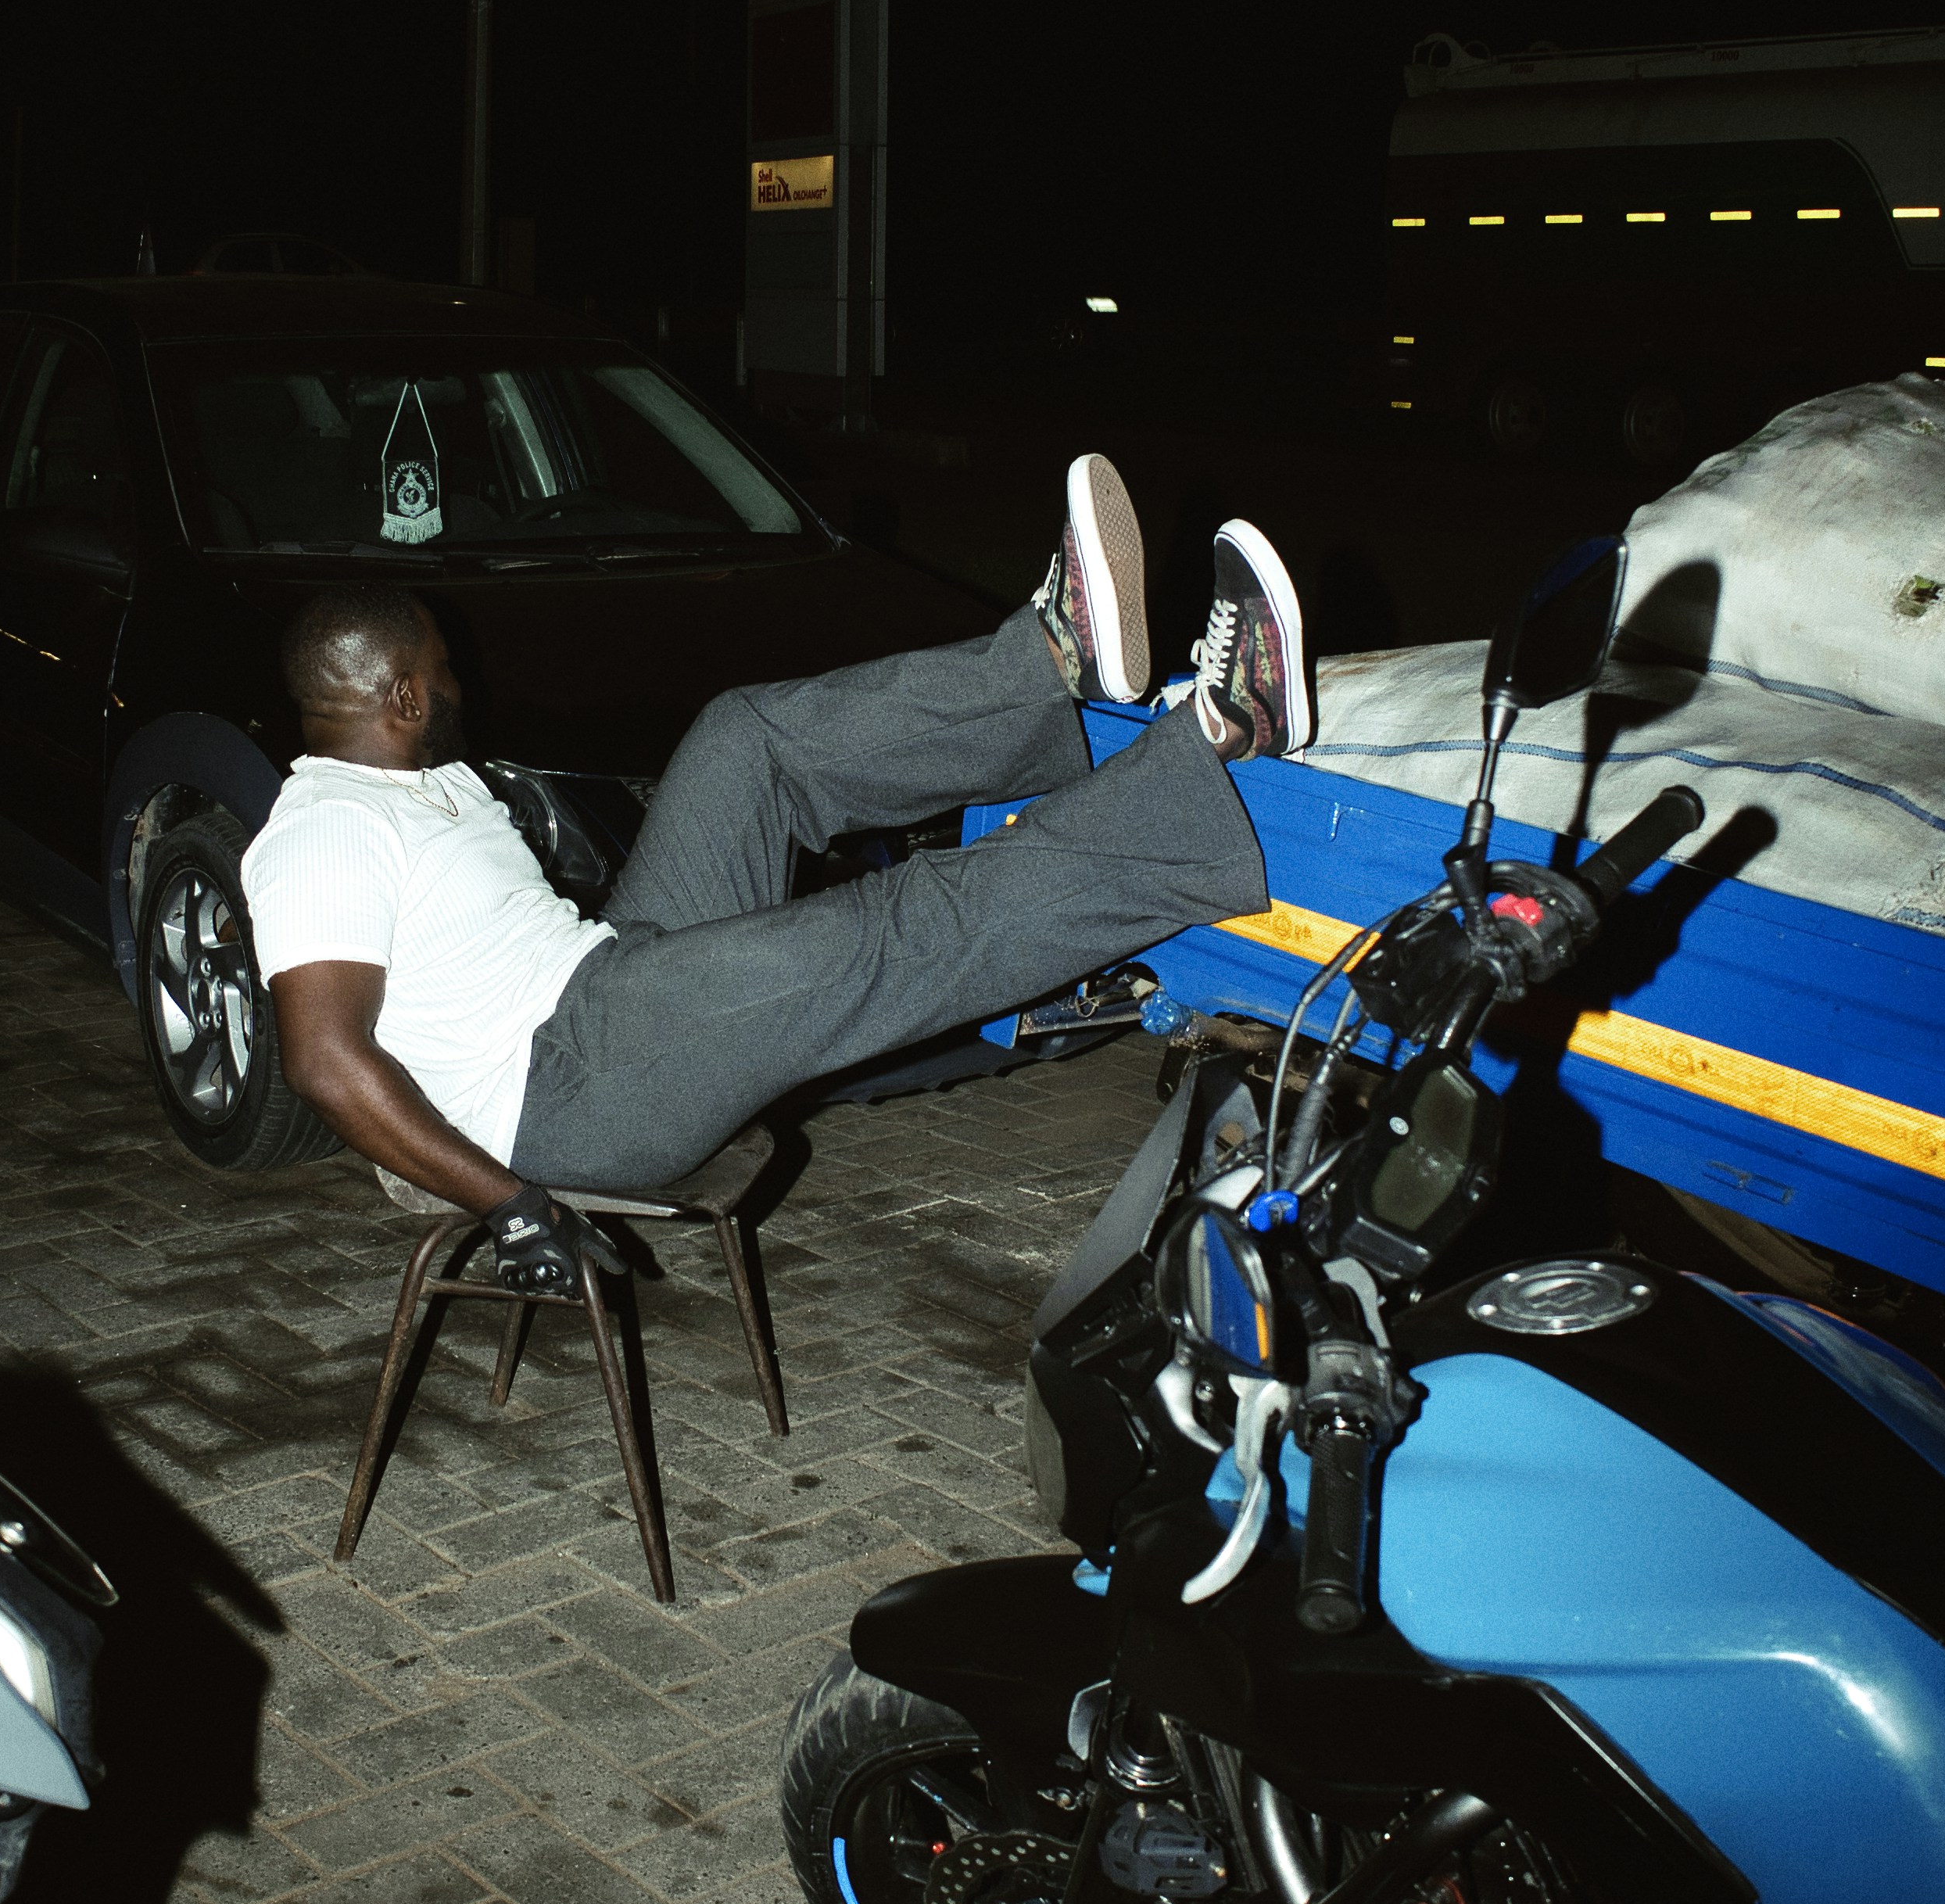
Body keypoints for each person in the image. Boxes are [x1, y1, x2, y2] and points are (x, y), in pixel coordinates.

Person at [245, 456, 1312, 1301]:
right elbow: (322, 1061)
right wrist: (513, 1207)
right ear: (404, 698)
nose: (458, 679)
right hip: (571, 1094)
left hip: (606, 989)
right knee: (887, 929)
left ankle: (1049, 663)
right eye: (443, 669)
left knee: (740, 740)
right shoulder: (322, 831)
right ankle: (1223, 737)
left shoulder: (415, 783)